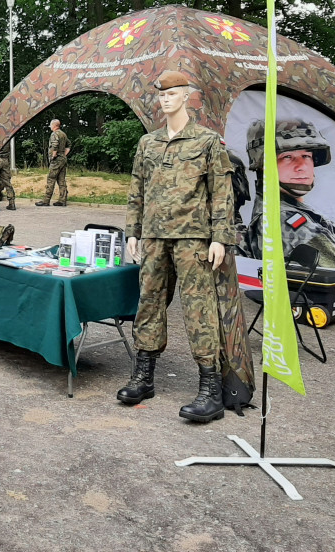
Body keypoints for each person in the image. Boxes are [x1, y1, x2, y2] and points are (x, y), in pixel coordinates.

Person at [118, 70, 236, 423]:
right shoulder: (148, 143)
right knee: (149, 303)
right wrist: (132, 232)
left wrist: (220, 237)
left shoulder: (207, 141)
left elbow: (221, 193)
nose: (164, 99)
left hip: (192, 238)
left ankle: (210, 390)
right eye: (161, 94)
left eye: (171, 94)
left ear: (186, 96)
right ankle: (144, 377)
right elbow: (137, 189)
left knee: (199, 309)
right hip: (154, 237)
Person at [244, 118, 335, 270]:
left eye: (306, 156)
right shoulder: (284, 219)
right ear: (263, 165)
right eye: (287, 157)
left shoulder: (295, 211)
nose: (301, 166)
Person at [34, 119, 70, 207]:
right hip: (63, 159)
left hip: (56, 160)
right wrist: (64, 154)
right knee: (61, 180)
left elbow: (55, 145)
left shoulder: (54, 134)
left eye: (50, 125)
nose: (50, 127)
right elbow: (69, 145)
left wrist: (53, 155)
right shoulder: (63, 134)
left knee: (51, 179)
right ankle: (62, 200)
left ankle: (46, 200)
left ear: (54, 125)